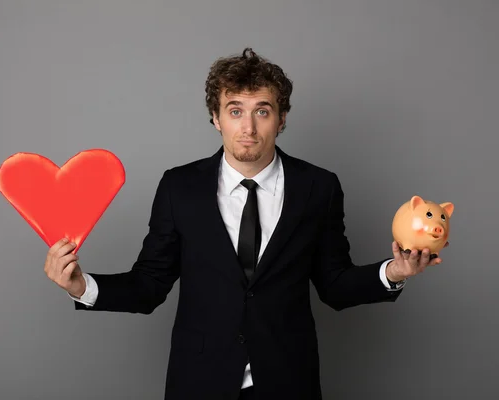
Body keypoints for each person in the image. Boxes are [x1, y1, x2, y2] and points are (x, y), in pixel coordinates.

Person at [43, 48, 446, 400]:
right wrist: (83, 286)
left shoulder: (318, 187)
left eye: (262, 112)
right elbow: (149, 285)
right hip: (199, 382)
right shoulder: (179, 187)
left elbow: (335, 284)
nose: (248, 128)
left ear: (282, 118)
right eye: (235, 111)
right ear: (216, 118)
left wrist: (395, 271)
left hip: (288, 382)